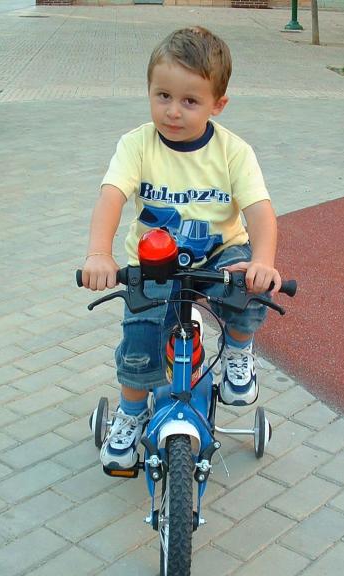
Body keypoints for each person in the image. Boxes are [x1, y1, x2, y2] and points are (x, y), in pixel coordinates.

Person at [82, 26, 281, 470]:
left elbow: (261, 213)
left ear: (217, 104)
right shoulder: (137, 144)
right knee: (140, 340)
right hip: (153, 263)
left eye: (190, 101)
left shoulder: (233, 152)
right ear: (149, 92)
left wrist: (264, 262)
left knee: (250, 285)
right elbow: (111, 196)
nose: (173, 111)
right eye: (163, 96)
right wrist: (99, 253)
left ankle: (237, 348)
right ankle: (131, 415)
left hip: (219, 253)